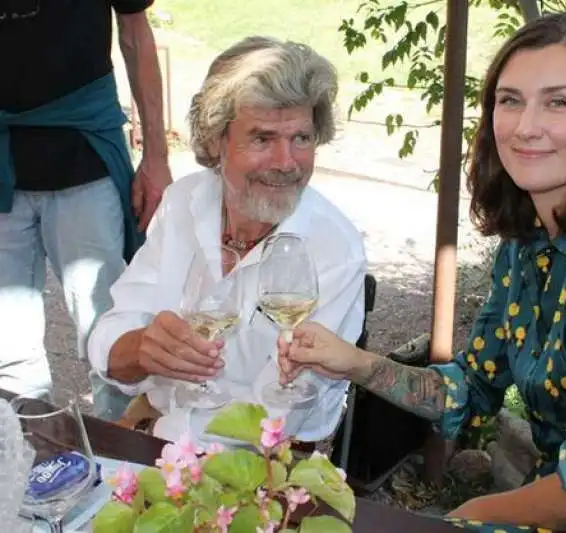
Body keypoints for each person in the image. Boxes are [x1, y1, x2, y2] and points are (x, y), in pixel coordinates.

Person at [276, 14, 566, 532]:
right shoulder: (528, 246)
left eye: (559, 101)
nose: (526, 126)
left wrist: (469, 514)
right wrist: (355, 363)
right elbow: (472, 389)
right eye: (511, 100)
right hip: (565, 499)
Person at [88, 36, 367, 454]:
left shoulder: (333, 248)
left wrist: (167, 453)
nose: (286, 162)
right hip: (154, 428)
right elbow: (110, 338)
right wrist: (142, 348)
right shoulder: (185, 202)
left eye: (302, 139)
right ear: (216, 140)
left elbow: (276, 414)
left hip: (261, 461)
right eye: (262, 139)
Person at [0, 1, 171, 420]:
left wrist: (156, 156)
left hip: (83, 154)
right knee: (7, 350)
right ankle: (23, 465)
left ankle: (123, 472)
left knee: (111, 332)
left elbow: (134, 30)